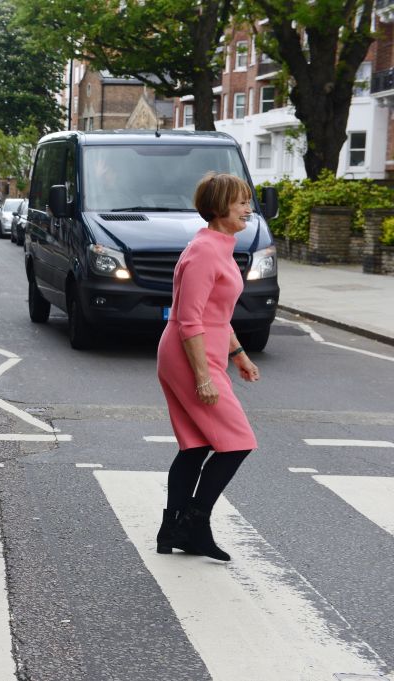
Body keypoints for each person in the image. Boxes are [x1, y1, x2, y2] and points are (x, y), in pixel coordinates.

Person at [155, 172, 262, 562]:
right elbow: (189, 319)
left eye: (248, 201)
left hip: (205, 351)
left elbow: (217, 314)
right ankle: (194, 524)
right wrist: (203, 377)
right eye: (241, 203)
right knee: (238, 443)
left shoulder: (218, 246)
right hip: (189, 356)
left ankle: (172, 528)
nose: (248, 209)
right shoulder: (203, 252)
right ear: (219, 208)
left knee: (197, 445)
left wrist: (239, 355)